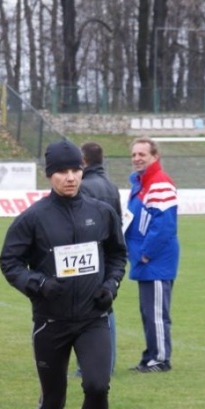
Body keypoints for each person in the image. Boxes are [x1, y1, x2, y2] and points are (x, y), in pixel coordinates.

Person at [0, 139, 127, 409]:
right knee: (53, 398)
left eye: (75, 170)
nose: (70, 178)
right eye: (62, 172)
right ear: (50, 175)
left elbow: (118, 254)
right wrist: (37, 283)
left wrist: (111, 285)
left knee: (98, 385)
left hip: (93, 317)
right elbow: (9, 263)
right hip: (51, 322)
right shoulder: (33, 218)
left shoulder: (102, 212)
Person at [125, 137, 179, 373]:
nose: (137, 158)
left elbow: (164, 225)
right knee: (149, 311)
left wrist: (146, 253)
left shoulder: (159, 183)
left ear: (154, 157)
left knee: (156, 312)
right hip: (144, 259)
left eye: (142, 154)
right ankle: (150, 356)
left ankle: (159, 359)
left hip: (155, 260)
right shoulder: (142, 183)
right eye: (134, 154)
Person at [76, 141, 123, 375]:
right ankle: (108, 363)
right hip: (107, 253)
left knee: (86, 310)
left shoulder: (83, 186)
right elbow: (118, 223)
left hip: (88, 255)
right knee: (106, 306)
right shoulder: (111, 186)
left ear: (83, 161)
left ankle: (88, 365)